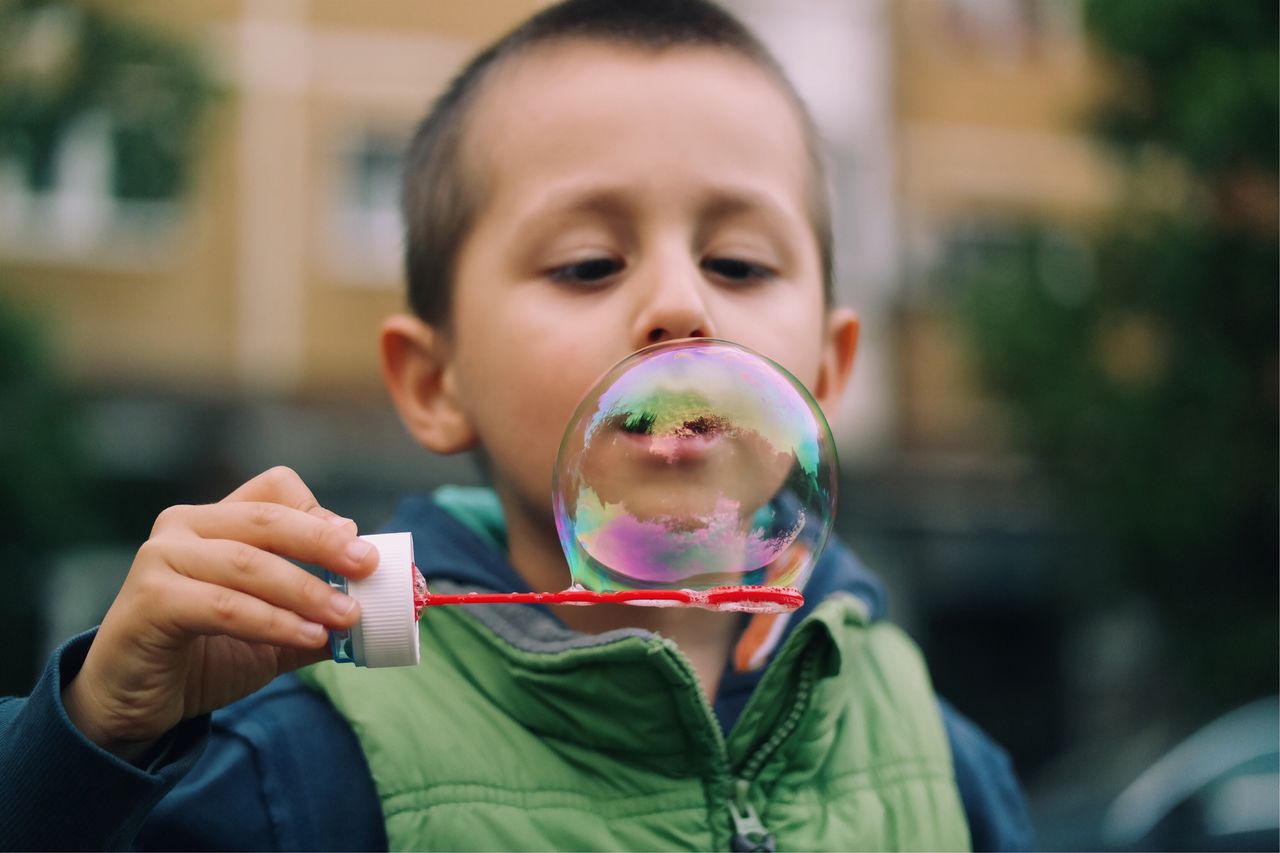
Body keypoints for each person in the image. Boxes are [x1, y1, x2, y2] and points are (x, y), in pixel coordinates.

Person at [0, 0, 1035, 849]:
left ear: (826, 368)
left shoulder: (937, 763)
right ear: (433, 382)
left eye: (738, 264)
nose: (680, 305)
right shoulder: (301, 769)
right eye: (587, 262)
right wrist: (91, 737)